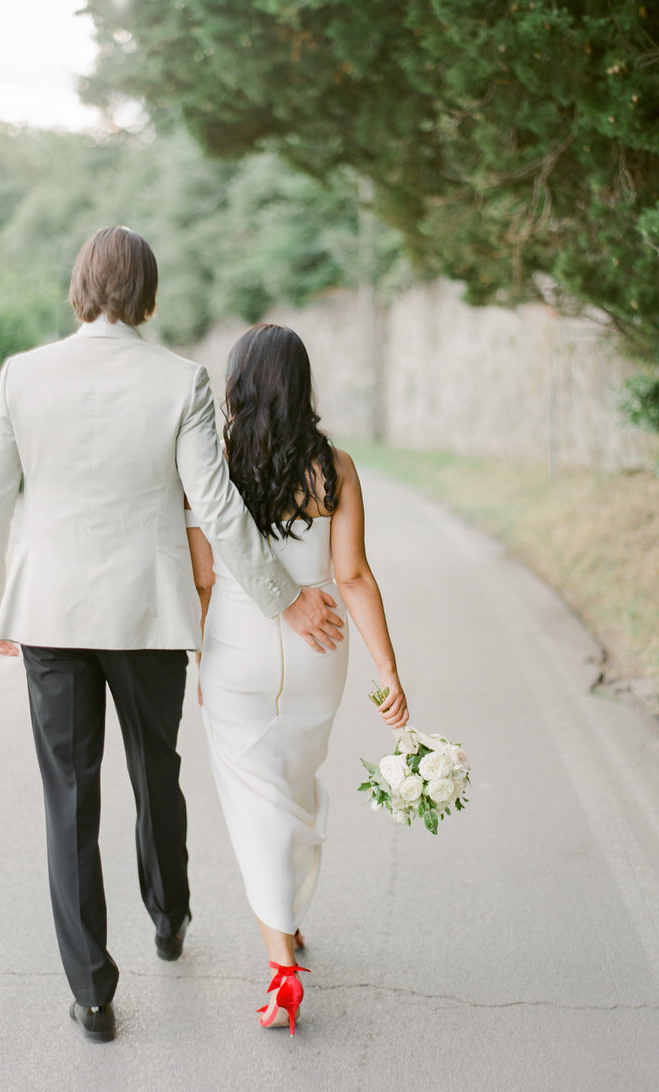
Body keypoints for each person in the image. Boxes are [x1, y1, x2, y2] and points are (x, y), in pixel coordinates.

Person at [0, 228, 344, 1043]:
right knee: (154, 769)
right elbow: (216, 507)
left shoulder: (22, 376)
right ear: (149, 294)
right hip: (147, 614)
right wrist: (285, 598)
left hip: (52, 617)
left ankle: (94, 994)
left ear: (79, 286)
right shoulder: (181, 380)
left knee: (69, 799)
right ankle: (169, 918)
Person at [185, 323, 408, 1036]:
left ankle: (281, 961)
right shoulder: (334, 467)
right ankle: (287, 920)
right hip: (322, 647)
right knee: (297, 788)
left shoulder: (212, 465)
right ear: (301, 385)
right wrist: (386, 669)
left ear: (238, 386)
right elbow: (352, 574)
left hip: (238, 648)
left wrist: (199, 657)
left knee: (257, 799)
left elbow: (202, 575)